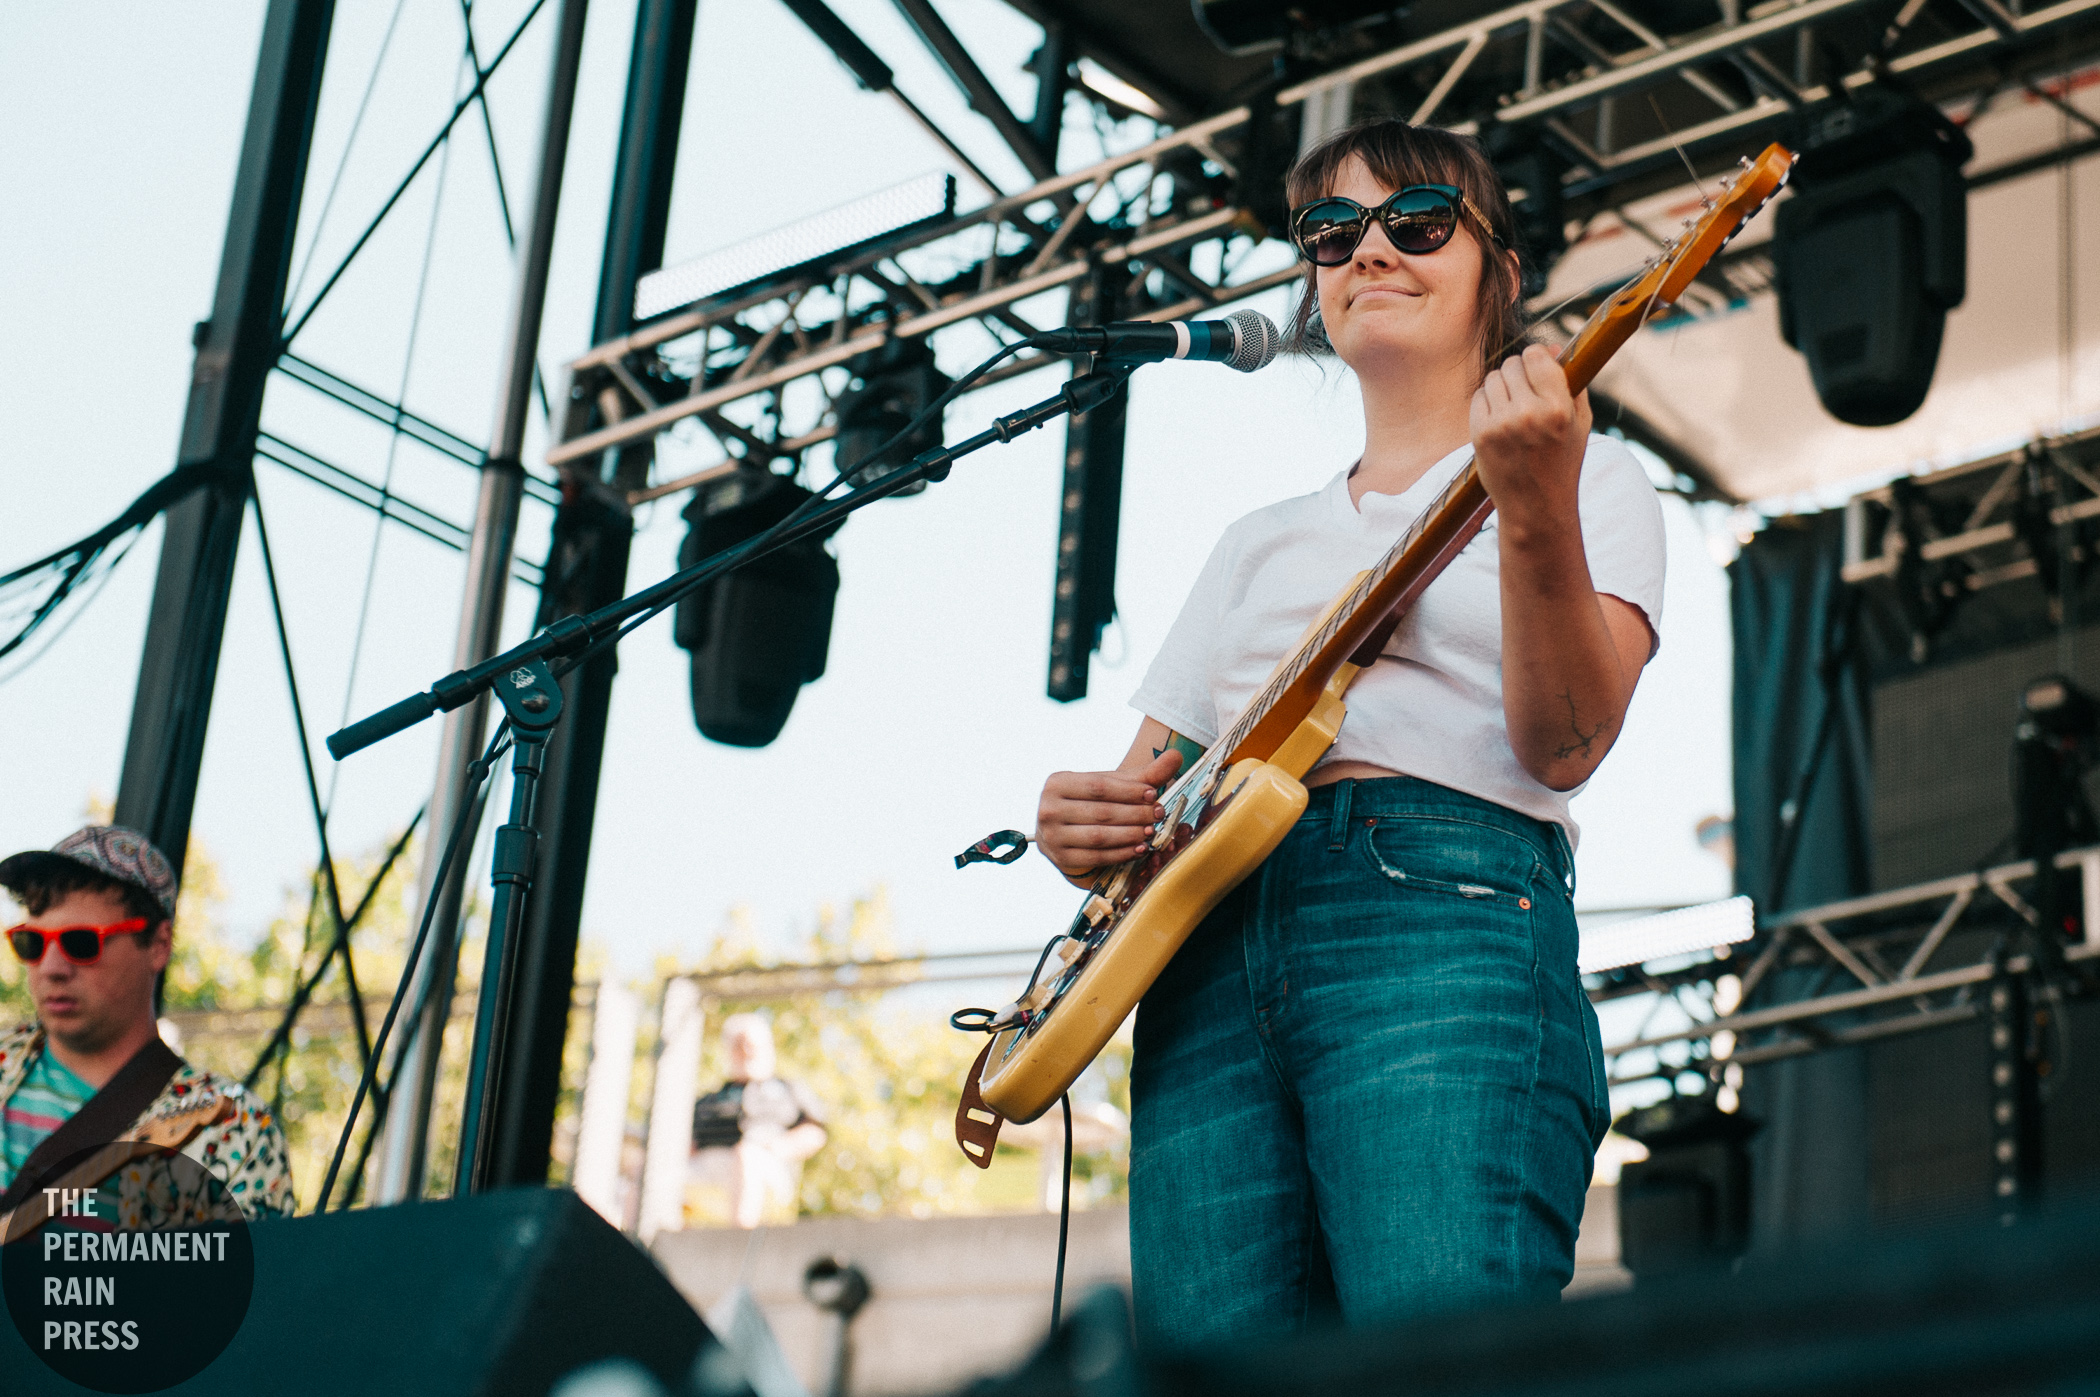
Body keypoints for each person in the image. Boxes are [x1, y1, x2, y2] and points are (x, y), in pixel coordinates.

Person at [1032, 119, 1665, 1346]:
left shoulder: (1597, 478)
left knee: (1435, 1362)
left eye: (1417, 219)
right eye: (1332, 232)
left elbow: (1570, 740)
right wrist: (1083, 826)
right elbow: (1143, 792)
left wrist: (1531, 499)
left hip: (1440, 908)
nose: (1369, 249)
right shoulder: (1257, 541)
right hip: (1202, 950)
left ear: (1503, 273)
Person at [0, 826, 294, 1220]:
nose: (51, 968)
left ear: (158, 945)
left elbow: (251, 1281)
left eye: (81, 942)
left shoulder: (233, 1128)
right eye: (32, 942)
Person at [688, 1013, 826, 1228]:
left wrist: (780, 1146)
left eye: (751, 1045)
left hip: (765, 1166)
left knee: (746, 1156)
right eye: (738, 1046)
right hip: (707, 1167)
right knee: (644, 1168)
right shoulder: (708, 1100)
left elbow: (814, 1133)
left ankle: (738, 1243)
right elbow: (686, 1143)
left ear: (767, 1047)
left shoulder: (789, 1089)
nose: (746, 1052)